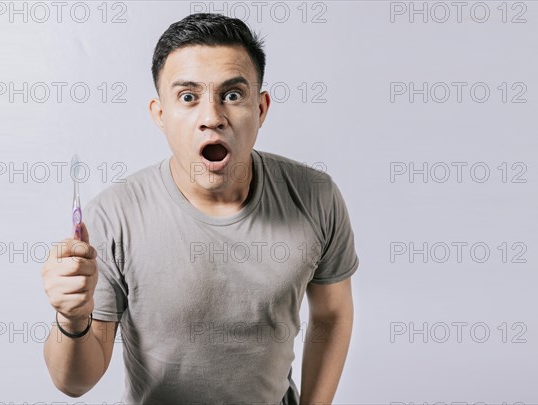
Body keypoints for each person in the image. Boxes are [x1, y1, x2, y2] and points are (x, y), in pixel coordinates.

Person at [41, 13, 359, 405]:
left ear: (260, 109)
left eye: (232, 95)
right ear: (160, 114)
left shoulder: (315, 196)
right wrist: (72, 319)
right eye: (188, 97)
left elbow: (332, 315)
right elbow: (75, 383)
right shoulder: (113, 217)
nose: (212, 118)